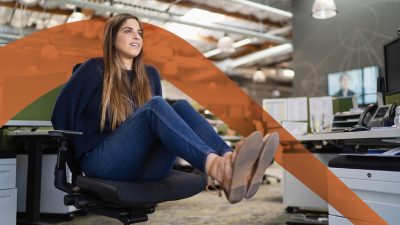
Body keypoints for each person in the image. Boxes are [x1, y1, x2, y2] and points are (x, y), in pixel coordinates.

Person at [51, 13, 279, 204]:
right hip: (102, 164)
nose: (136, 36)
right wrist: (78, 165)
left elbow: (163, 128)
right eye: (128, 31)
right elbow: (60, 117)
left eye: (139, 33)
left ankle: (232, 162)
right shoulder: (94, 70)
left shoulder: (149, 76)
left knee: (180, 106)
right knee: (156, 106)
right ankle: (218, 168)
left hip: (147, 167)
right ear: (112, 38)